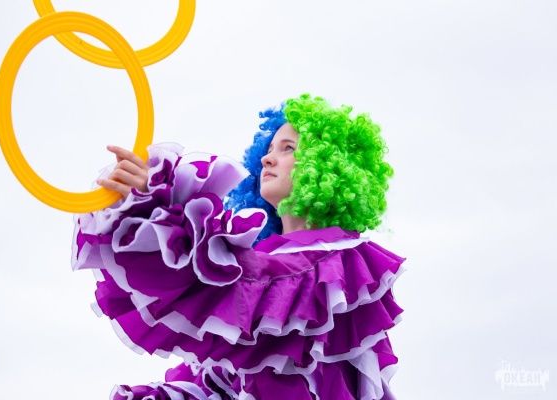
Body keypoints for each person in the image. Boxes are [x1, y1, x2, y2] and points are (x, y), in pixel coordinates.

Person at [73, 94, 404, 400]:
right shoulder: (265, 269)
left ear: (328, 165)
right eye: (269, 148)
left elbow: (234, 284)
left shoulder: (341, 263)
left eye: (288, 148)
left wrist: (159, 203)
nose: (267, 159)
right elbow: (219, 381)